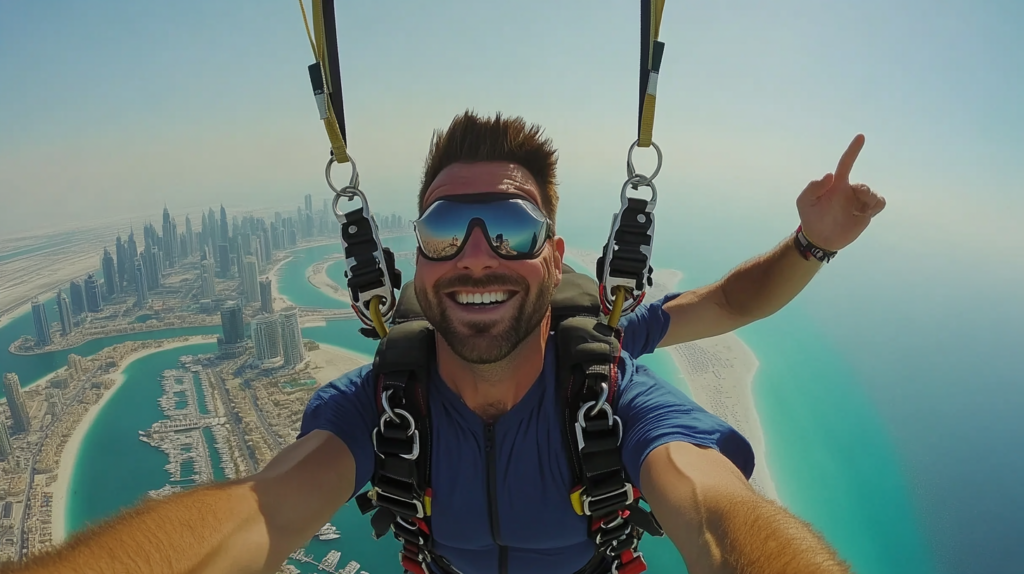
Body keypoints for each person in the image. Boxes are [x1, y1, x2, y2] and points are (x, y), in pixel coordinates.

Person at [4, 111, 885, 574]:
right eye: (444, 229)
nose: (475, 257)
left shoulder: (606, 386)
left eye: (505, 226)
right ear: (415, 262)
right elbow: (257, 519)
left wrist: (812, 245)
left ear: (554, 255)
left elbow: (718, 519)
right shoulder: (388, 405)